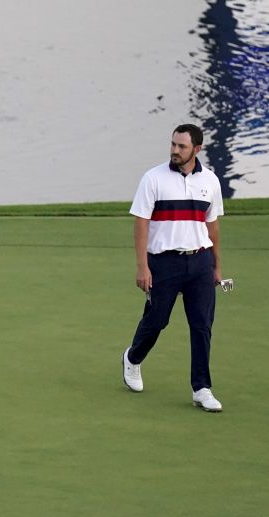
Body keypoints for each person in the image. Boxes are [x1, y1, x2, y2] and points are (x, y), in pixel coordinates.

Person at [121, 124, 226, 412]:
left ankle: (202, 388)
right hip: (164, 263)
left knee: (202, 325)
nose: (175, 150)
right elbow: (141, 223)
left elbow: (212, 225)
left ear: (197, 149)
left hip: (201, 262)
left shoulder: (211, 181)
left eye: (181, 146)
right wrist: (143, 267)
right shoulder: (153, 178)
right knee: (157, 321)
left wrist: (217, 266)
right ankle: (132, 358)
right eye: (173, 144)